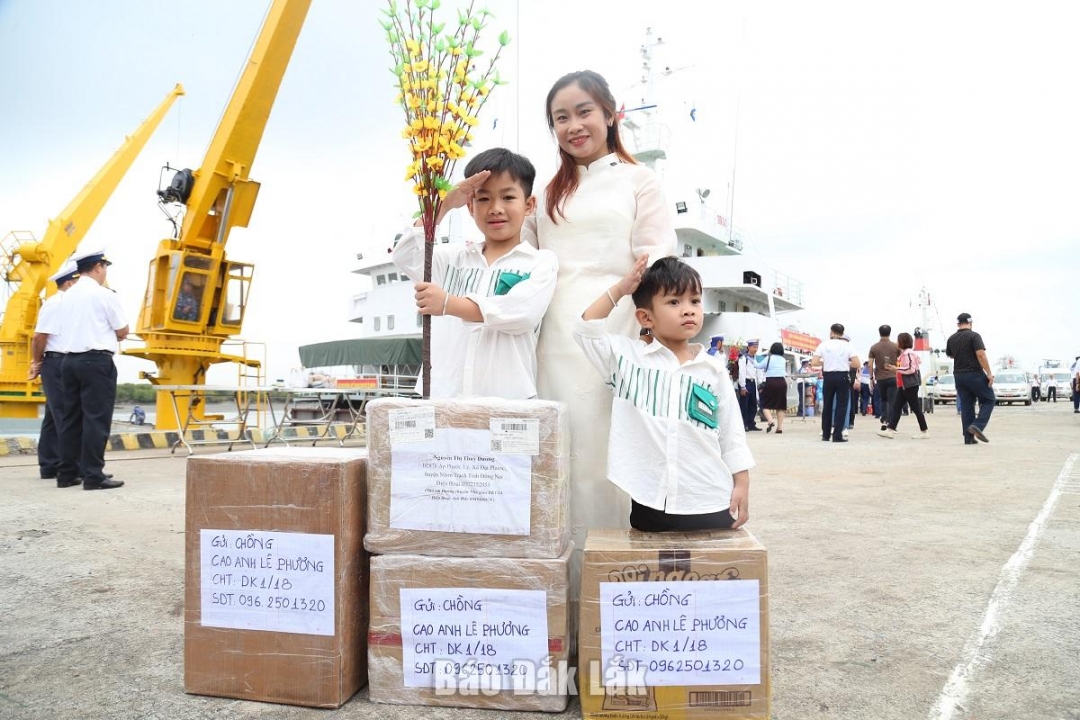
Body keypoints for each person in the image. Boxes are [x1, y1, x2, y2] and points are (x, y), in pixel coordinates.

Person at [522, 70, 677, 558]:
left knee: (606, 458)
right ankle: (556, 590)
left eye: (584, 112)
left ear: (611, 114)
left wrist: (653, 334)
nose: (573, 126)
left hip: (615, 333)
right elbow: (518, 259)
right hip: (551, 339)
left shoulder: (639, 180)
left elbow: (655, 258)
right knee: (556, 457)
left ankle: (601, 585)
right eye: (560, 118)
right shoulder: (545, 195)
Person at [573, 256, 751, 531]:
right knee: (656, 572)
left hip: (710, 497)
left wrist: (741, 481)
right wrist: (621, 288)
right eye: (674, 302)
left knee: (708, 572)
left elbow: (731, 432)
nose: (688, 310)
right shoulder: (627, 360)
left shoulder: (713, 369)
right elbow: (585, 329)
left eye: (695, 301)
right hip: (650, 499)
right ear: (646, 317)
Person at [393, 147, 558, 399]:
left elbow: (521, 313)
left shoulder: (540, 262)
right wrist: (445, 203)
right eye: (483, 199)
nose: (495, 208)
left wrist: (448, 303)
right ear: (470, 207)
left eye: (508, 197)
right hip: (444, 397)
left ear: (529, 205)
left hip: (508, 401)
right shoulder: (451, 259)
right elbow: (405, 254)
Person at [54, 248, 128, 490]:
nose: (105, 273)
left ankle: (66, 474)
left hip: (68, 362)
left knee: (70, 419)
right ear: (98, 267)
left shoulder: (66, 296)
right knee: (96, 420)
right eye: (105, 268)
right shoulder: (104, 295)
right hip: (96, 362)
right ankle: (93, 475)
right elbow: (122, 330)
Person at [28, 260, 80, 482]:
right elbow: (40, 336)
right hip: (56, 362)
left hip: (60, 362)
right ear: (68, 283)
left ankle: (49, 465)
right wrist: (35, 362)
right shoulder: (56, 303)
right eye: (77, 281)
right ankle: (71, 467)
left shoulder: (67, 303)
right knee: (65, 415)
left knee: (53, 415)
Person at [945, 312, 994, 444]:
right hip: (974, 373)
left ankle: (969, 437)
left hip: (959, 376)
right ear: (970, 323)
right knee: (989, 399)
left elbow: (950, 355)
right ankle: (978, 425)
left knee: (967, 405)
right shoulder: (974, 336)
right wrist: (989, 373)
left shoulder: (951, 338)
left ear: (958, 324)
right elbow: (981, 354)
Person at [811, 323, 860, 442]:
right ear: (842, 333)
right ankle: (837, 435)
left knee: (827, 405)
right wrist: (845, 363)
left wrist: (826, 362)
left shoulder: (823, 344)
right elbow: (857, 363)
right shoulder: (847, 345)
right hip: (843, 376)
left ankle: (826, 434)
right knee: (841, 406)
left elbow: (814, 362)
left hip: (828, 376)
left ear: (831, 332)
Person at [877, 332, 930, 439]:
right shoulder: (905, 354)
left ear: (902, 342)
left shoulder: (909, 354)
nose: (897, 342)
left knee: (915, 408)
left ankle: (924, 431)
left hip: (910, 385)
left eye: (898, 340)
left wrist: (895, 368)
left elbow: (911, 369)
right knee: (896, 407)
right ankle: (890, 430)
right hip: (903, 385)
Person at [867, 325, 900, 431]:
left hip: (880, 378)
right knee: (892, 401)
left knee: (883, 400)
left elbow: (870, 364)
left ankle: (884, 420)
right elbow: (902, 360)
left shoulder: (874, 347)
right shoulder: (896, 347)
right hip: (893, 376)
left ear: (879, 332)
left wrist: (871, 377)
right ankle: (891, 423)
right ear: (890, 332)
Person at [755, 341, 788, 434]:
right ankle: (779, 427)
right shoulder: (783, 359)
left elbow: (758, 366)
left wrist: (753, 359)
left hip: (771, 382)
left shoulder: (768, 358)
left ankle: (770, 421)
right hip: (782, 382)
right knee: (781, 406)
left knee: (765, 404)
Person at [737, 340, 763, 431]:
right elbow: (742, 372)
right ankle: (744, 425)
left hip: (753, 383)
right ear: (749, 347)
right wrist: (742, 386)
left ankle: (751, 423)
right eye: (754, 347)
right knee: (744, 405)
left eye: (756, 347)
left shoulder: (756, 358)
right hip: (745, 383)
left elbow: (759, 371)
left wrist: (760, 384)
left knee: (753, 405)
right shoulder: (743, 358)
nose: (755, 349)